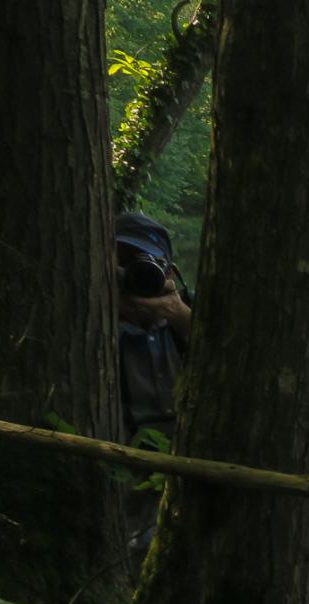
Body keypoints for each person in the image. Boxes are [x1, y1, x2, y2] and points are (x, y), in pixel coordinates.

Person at [115, 211, 191, 559]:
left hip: (182, 459)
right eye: (124, 260)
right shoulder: (89, 315)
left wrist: (178, 314)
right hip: (122, 459)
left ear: (169, 271)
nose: (137, 273)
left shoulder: (184, 314)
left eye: (148, 263)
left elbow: (227, 361)